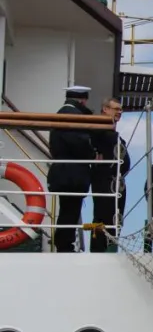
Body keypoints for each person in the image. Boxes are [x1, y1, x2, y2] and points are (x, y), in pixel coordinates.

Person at [47, 85, 98, 253]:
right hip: (72, 172)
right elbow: (79, 143)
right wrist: (93, 154)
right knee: (70, 210)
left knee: (67, 209)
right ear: (82, 100)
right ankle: (64, 245)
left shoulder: (62, 113)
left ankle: (64, 242)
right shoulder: (73, 115)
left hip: (64, 170)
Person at [89, 98, 131, 252]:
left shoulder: (114, 134)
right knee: (102, 216)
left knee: (116, 219)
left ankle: (110, 247)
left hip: (118, 184)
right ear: (105, 109)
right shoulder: (98, 130)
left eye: (121, 109)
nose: (119, 112)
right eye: (116, 109)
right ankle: (99, 250)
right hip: (104, 180)